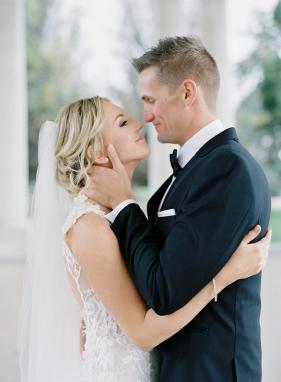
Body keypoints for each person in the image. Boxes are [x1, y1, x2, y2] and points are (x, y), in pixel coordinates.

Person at [17, 97, 271, 382]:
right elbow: (142, 333)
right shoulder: (89, 227)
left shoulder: (116, 216)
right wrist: (226, 276)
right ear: (97, 152)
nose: (140, 123)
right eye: (123, 123)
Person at [86, 37, 272, 381]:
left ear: (188, 92)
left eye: (150, 100)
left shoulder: (226, 169)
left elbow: (163, 291)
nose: (146, 115)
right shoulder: (193, 170)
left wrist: (126, 204)